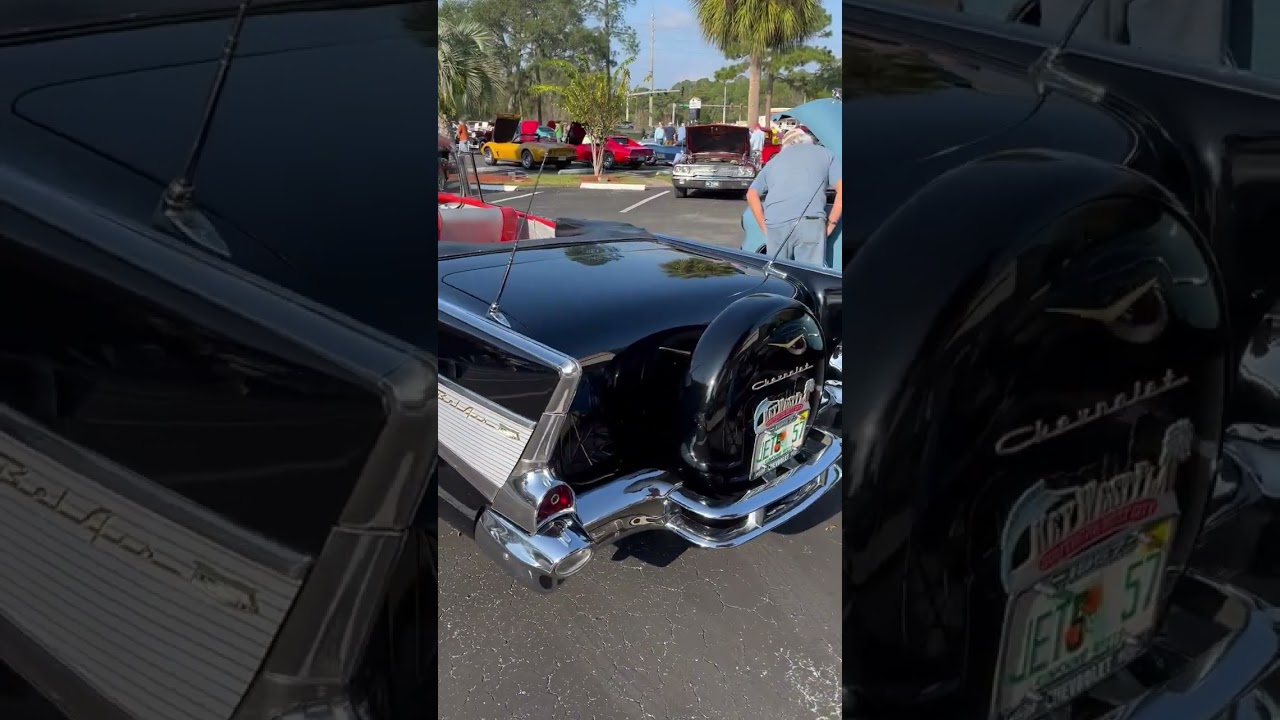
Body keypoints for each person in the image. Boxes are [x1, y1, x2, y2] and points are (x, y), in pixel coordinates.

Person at [745, 126, 842, 269]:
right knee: (809, 278)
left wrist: (765, 228)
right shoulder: (826, 154)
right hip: (810, 222)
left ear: (785, 145)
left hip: (775, 223)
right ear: (810, 141)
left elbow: (751, 194)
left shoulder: (775, 161)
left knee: (778, 278)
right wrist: (831, 224)